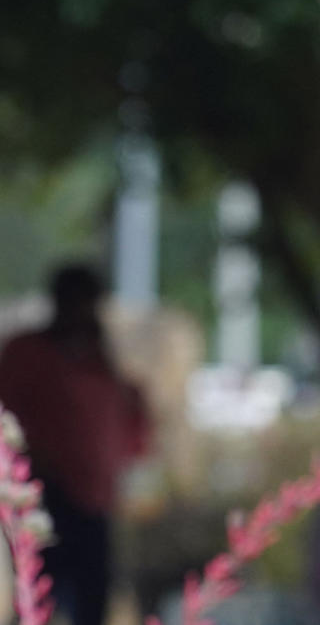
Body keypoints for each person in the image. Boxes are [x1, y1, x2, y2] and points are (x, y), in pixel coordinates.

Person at [0, 264, 151, 625]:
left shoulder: (100, 362)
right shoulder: (29, 354)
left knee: (90, 601)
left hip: (93, 499)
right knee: (37, 598)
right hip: (43, 493)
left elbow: (130, 427)